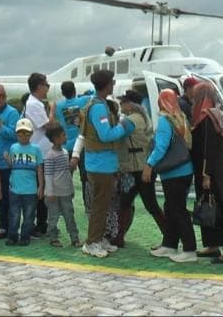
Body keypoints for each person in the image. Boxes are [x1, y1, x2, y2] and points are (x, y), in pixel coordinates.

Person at [79, 70, 132, 258]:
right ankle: (91, 242)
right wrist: (122, 126)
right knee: (99, 206)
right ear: (107, 84)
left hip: (103, 163)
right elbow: (105, 135)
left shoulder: (98, 104)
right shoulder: (99, 108)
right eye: (113, 82)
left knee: (103, 204)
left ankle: (98, 238)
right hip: (100, 165)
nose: (114, 84)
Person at [190, 83, 223, 264]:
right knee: (208, 207)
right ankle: (213, 245)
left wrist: (206, 174)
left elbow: (208, 149)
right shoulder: (212, 115)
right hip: (215, 171)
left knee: (222, 209)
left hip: (215, 173)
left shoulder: (206, 117)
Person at [145, 89, 196, 263]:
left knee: (178, 210)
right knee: (172, 208)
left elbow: (161, 147)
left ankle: (189, 249)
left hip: (174, 173)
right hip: (184, 170)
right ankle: (169, 244)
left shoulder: (166, 120)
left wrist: (149, 165)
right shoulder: (181, 118)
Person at [112, 89, 163, 249]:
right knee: (130, 202)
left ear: (130, 104)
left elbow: (112, 135)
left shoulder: (129, 121)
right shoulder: (142, 117)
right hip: (141, 166)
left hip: (137, 168)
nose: (121, 104)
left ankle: (170, 237)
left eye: (123, 102)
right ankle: (119, 236)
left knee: (144, 204)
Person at [53, 81, 92, 215]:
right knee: (85, 178)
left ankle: (63, 207)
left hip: (66, 146)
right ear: (74, 90)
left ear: (63, 93)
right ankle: (89, 207)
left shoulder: (59, 106)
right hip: (82, 146)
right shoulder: (84, 100)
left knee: (64, 178)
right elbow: (92, 93)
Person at [5, 118, 43, 246]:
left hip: (30, 190)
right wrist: (7, 160)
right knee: (14, 215)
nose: (23, 136)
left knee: (29, 216)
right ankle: (12, 236)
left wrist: (41, 186)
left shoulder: (36, 149)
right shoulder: (13, 147)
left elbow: (39, 169)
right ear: (16, 134)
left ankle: (25, 236)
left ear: (31, 133)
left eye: (26, 133)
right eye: (20, 133)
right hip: (15, 189)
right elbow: (12, 165)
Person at [0, 84, 19, 238]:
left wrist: (0, 126)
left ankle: (6, 227)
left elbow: (16, 135)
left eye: (1, 96)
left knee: (7, 198)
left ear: (5, 97)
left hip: (7, 164)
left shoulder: (12, 113)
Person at [43, 123, 81, 248]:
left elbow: (67, 174)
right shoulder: (49, 156)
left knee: (69, 216)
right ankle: (53, 237)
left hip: (65, 192)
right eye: (63, 135)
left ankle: (74, 238)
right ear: (55, 138)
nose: (65, 137)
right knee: (53, 217)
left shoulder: (65, 152)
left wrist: (71, 189)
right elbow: (48, 175)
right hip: (54, 193)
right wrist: (49, 192)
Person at [24, 72, 52, 238]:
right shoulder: (34, 105)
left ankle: (41, 224)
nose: (47, 88)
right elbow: (48, 126)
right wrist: (53, 111)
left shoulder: (37, 104)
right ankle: (38, 225)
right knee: (40, 193)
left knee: (42, 192)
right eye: (46, 85)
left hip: (41, 153)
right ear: (39, 87)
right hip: (39, 154)